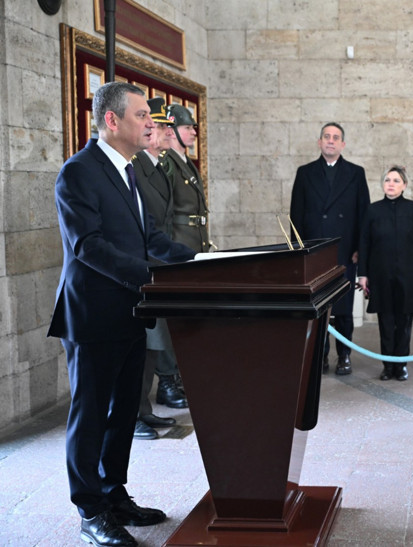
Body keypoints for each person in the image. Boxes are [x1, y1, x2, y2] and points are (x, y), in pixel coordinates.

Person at [47, 82, 196, 547]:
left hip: (131, 311)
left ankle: (115, 494)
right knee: (90, 415)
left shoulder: (128, 172)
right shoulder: (78, 172)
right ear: (111, 121)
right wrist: (151, 276)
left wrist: (196, 263)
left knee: (123, 413)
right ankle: (91, 509)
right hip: (92, 314)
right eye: (141, 116)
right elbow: (88, 246)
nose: (150, 124)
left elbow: (150, 238)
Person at [290, 122, 370, 375]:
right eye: (327, 137)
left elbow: (363, 215)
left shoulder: (356, 173)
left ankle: (344, 354)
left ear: (343, 144)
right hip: (314, 250)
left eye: (336, 137)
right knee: (318, 305)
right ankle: (320, 355)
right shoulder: (305, 172)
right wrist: (298, 249)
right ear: (319, 142)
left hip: (344, 250)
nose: (331, 141)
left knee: (343, 307)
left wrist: (360, 248)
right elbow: (296, 213)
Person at [132, 97, 190, 441]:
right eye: (158, 126)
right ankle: (134, 413)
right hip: (143, 267)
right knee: (144, 346)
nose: (163, 132)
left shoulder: (157, 165)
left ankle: (144, 409)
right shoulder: (136, 166)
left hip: (161, 264)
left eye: (166, 127)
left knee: (155, 344)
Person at [357, 166, 413, 381]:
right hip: (380, 275)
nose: (391, 183)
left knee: (404, 322)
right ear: (382, 184)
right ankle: (387, 365)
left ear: (404, 185)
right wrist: (363, 274)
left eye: (396, 180)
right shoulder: (373, 210)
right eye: (388, 180)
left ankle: (401, 364)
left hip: (408, 275)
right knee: (386, 321)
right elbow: (364, 243)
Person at [164, 103, 211, 253]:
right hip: (180, 241)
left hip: (196, 240)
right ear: (171, 132)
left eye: (193, 128)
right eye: (188, 128)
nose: (194, 133)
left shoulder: (187, 162)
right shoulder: (166, 162)